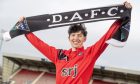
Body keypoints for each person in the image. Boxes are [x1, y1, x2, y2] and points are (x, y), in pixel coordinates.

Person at [2, 1, 132, 84]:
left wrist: (122, 17)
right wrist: (25, 28)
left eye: (79, 36)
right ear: (69, 38)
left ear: (84, 39)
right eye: (73, 35)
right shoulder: (59, 55)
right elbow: (40, 44)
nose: (76, 38)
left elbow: (106, 37)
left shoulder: (90, 53)